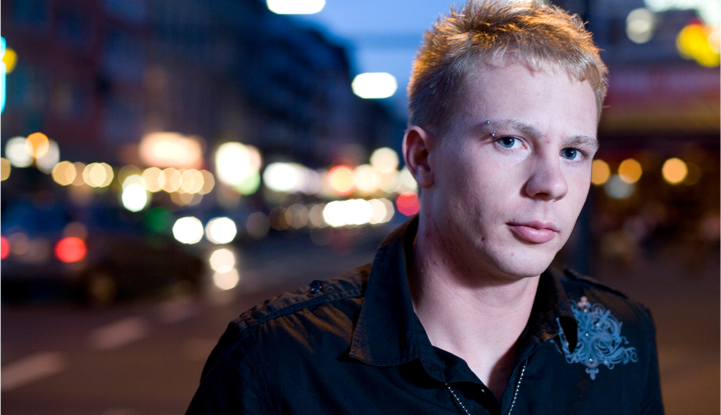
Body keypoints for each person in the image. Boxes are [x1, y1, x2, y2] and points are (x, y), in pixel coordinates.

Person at [186, 1, 663, 414]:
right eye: (510, 141)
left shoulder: (623, 337)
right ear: (422, 158)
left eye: (573, 152)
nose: (551, 184)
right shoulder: (278, 360)